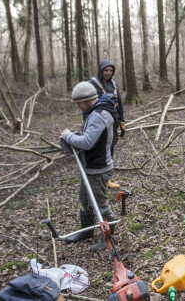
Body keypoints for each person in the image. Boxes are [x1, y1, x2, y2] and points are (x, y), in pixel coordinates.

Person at [60, 81, 118, 251]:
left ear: (86, 100)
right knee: (85, 200)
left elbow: (87, 142)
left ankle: (109, 236)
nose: (78, 107)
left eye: (79, 103)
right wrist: (74, 140)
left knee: (100, 205)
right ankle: (86, 232)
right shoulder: (94, 112)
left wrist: (69, 136)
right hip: (90, 166)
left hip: (98, 169)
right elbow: (90, 137)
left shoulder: (98, 115)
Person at [89, 59, 126, 189]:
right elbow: (87, 105)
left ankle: (107, 179)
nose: (108, 73)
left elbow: (119, 104)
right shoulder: (92, 84)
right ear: (101, 70)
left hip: (113, 123)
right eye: (106, 70)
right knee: (100, 151)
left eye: (110, 70)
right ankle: (97, 180)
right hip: (99, 124)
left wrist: (122, 122)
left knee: (110, 150)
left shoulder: (114, 84)